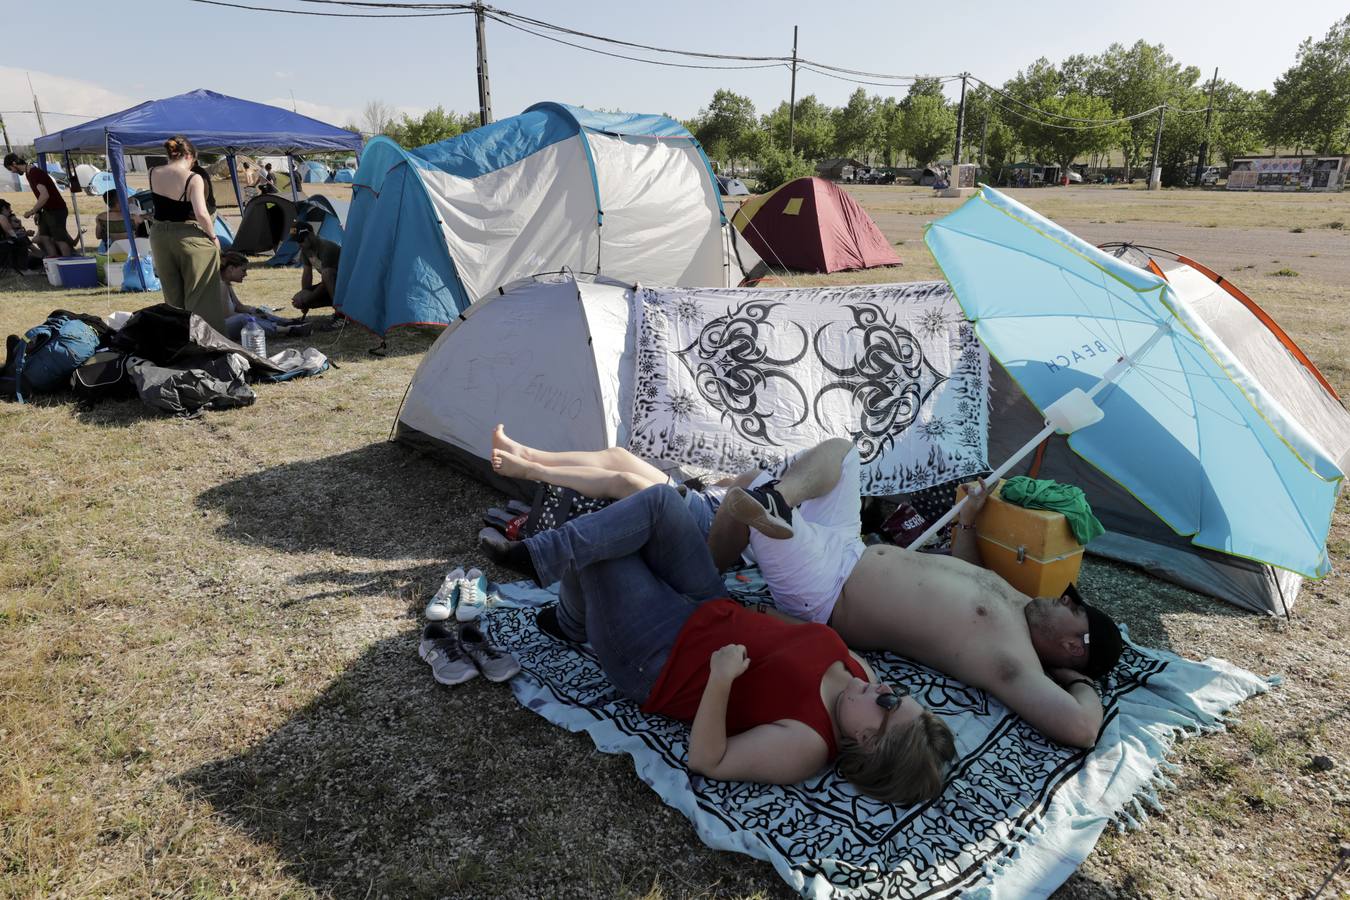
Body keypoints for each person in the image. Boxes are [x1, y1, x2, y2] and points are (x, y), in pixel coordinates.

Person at [480, 482, 956, 805]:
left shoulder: (806, 747)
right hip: (711, 606)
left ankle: (554, 587)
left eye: (889, 703)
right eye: (897, 692)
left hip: (660, 657)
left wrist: (722, 679)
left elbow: (709, 760)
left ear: (868, 742)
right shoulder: (862, 678)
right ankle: (566, 604)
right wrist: (766, 617)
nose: (885, 689)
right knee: (660, 502)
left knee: (607, 553)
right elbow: (802, 639)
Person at [709, 439, 1125, 749]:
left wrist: (1076, 681)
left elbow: (1083, 729)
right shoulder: (1021, 605)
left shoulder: (1012, 662)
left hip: (826, 590)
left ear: (1074, 647)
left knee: (746, 489)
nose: (1065, 598)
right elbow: (968, 572)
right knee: (843, 451)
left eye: (1074, 608)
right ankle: (779, 501)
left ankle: (705, 585)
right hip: (851, 547)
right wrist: (968, 520)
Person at [488, 424, 733, 541]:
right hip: (701, 501)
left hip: (705, 526)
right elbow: (729, 483)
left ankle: (532, 471)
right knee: (618, 456)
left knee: (625, 482)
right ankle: (528, 454)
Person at [147, 136, 226, 332]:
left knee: (172, 296)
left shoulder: (152, 172)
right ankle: (206, 339)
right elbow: (202, 213)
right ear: (189, 156)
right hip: (188, 236)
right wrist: (213, 237)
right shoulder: (193, 178)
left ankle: (177, 337)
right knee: (201, 294)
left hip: (159, 237)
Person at [218, 251, 313, 341]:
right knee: (244, 318)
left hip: (226, 325)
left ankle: (287, 322)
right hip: (220, 330)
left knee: (254, 311)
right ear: (231, 269)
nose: (245, 274)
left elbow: (239, 306)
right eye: (243, 270)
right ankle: (287, 329)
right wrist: (253, 316)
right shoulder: (220, 286)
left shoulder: (226, 283)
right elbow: (228, 316)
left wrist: (255, 311)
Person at [4, 153, 74, 258]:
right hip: (47, 210)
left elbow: (44, 195)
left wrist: (32, 211)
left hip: (56, 209)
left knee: (59, 239)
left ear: (14, 163)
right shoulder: (28, 173)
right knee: (44, 236)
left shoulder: (35, 173)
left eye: (11, 169)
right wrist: (38, 211)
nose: (12, 172)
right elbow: (41, 196)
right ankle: (52, 258)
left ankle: (68, 262)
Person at [289, 222, 342, 316]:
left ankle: (340, 310)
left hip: (345, 285)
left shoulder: (327, 248)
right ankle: (338, 306)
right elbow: (307, 275)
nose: (299, 244)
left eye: (301, 240)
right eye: (297, 241)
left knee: (326, 273)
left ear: (311, 235)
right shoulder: (305, 250)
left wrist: (310, 298)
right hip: (332, 286)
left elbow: (327, 280)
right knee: (298, 300)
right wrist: (305, 300)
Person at [0, 198, 44, 273]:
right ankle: (23, 269)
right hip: (3, 247)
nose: (10, 212)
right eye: (9, 210)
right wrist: (24, 233)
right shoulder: (1, 217)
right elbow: (12, 235)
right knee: (21, 240)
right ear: (3, 208)